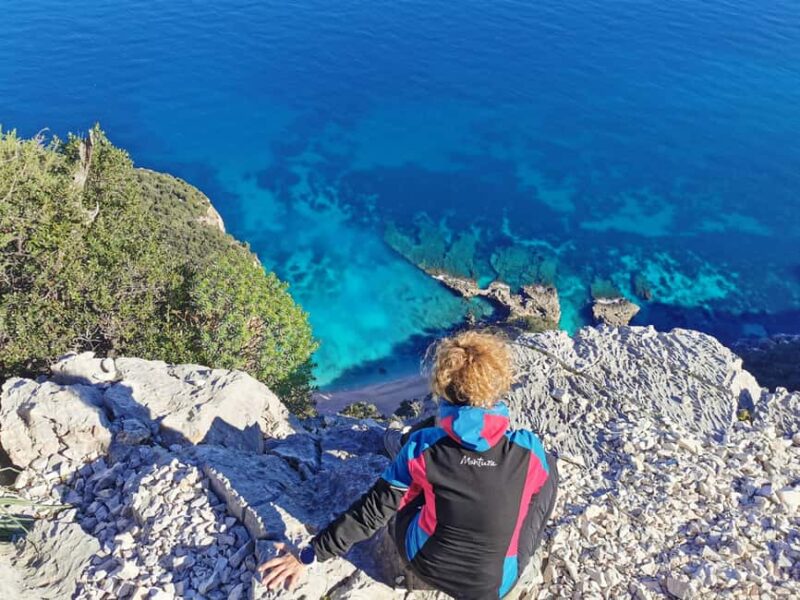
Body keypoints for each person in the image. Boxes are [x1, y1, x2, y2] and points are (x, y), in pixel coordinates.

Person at [257, 331, 559, 599]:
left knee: (412, 471)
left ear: (444, 386)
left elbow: (372, 512)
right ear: (495, 387)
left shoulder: (423, 447)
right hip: (491, 589)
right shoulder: (528, 451)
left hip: (423, 560)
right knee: (550, 469)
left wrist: (309, 555)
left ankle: (399, 452)